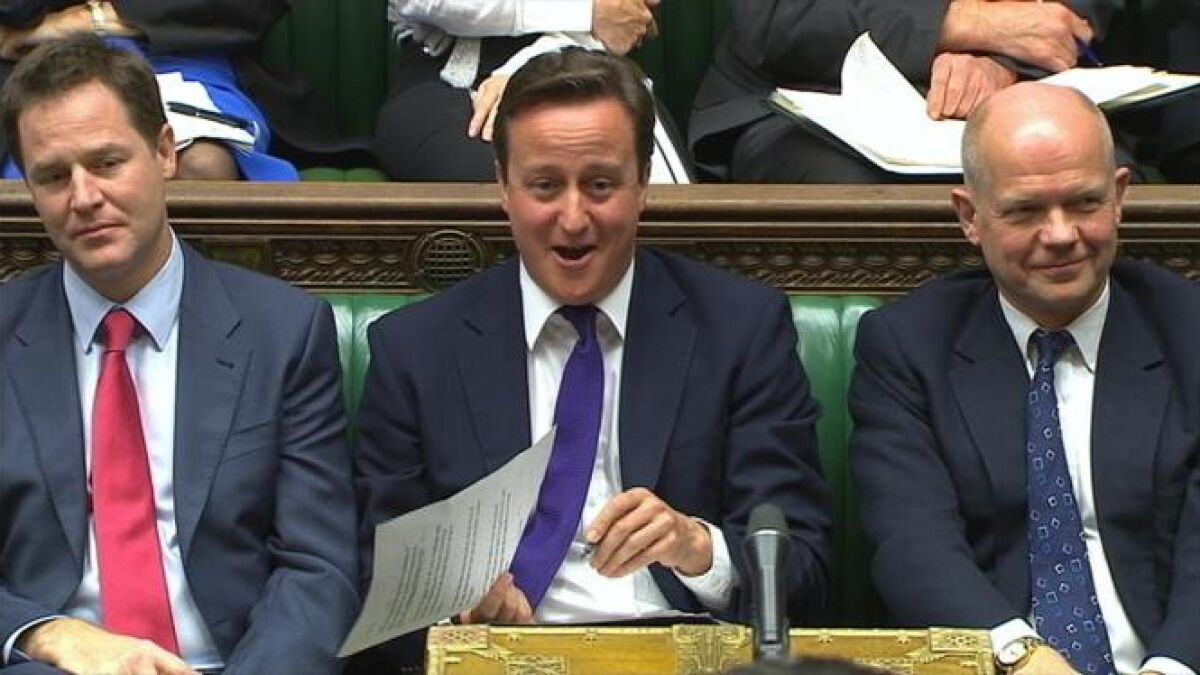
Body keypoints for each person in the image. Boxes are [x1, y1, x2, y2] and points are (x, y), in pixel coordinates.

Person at [355, 47, 832, 670]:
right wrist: (457, 613)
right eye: (545, 186)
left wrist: (699, 550)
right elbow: (373, 585)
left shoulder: (740, 330)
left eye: (601, 185)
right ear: (503, 187)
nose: (574, 217)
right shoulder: (416, 350)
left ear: (643, 185)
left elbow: (805, 573)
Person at [0, 35, 359, 674]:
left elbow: (317, 569)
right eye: (53, 176)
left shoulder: (282, 332)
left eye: (107, 162)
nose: (84, 197)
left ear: (165, 152)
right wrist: (44, 633)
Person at [849, 81, 1199, 675]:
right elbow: (913, 543)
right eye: (1026, 211)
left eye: (1084, 203)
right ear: (970, 216)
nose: (1060, 234)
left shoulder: (1189, 330)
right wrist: (1018, 656)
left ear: (1119, 197)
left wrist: (1171, 668)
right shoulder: (909, 346)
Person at [689, 0, 1200, 183]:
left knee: (1084, 180)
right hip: (810, 97)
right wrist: (971, 25)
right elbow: (780, 21)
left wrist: (1001, 62)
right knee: (871, 199)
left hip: (1021, 91)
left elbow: (1072, 13)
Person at [0, 0, 335, 180]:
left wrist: (91, 19)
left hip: (180, 53)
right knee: (46, 169)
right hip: (36, 59)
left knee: (201, 165)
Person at [373, 0, 691, 183]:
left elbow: (625, 14)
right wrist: (582, 12)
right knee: (512, 185)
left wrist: (536, 65)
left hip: (583, 59)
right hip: (443, 77)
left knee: (639, 184)